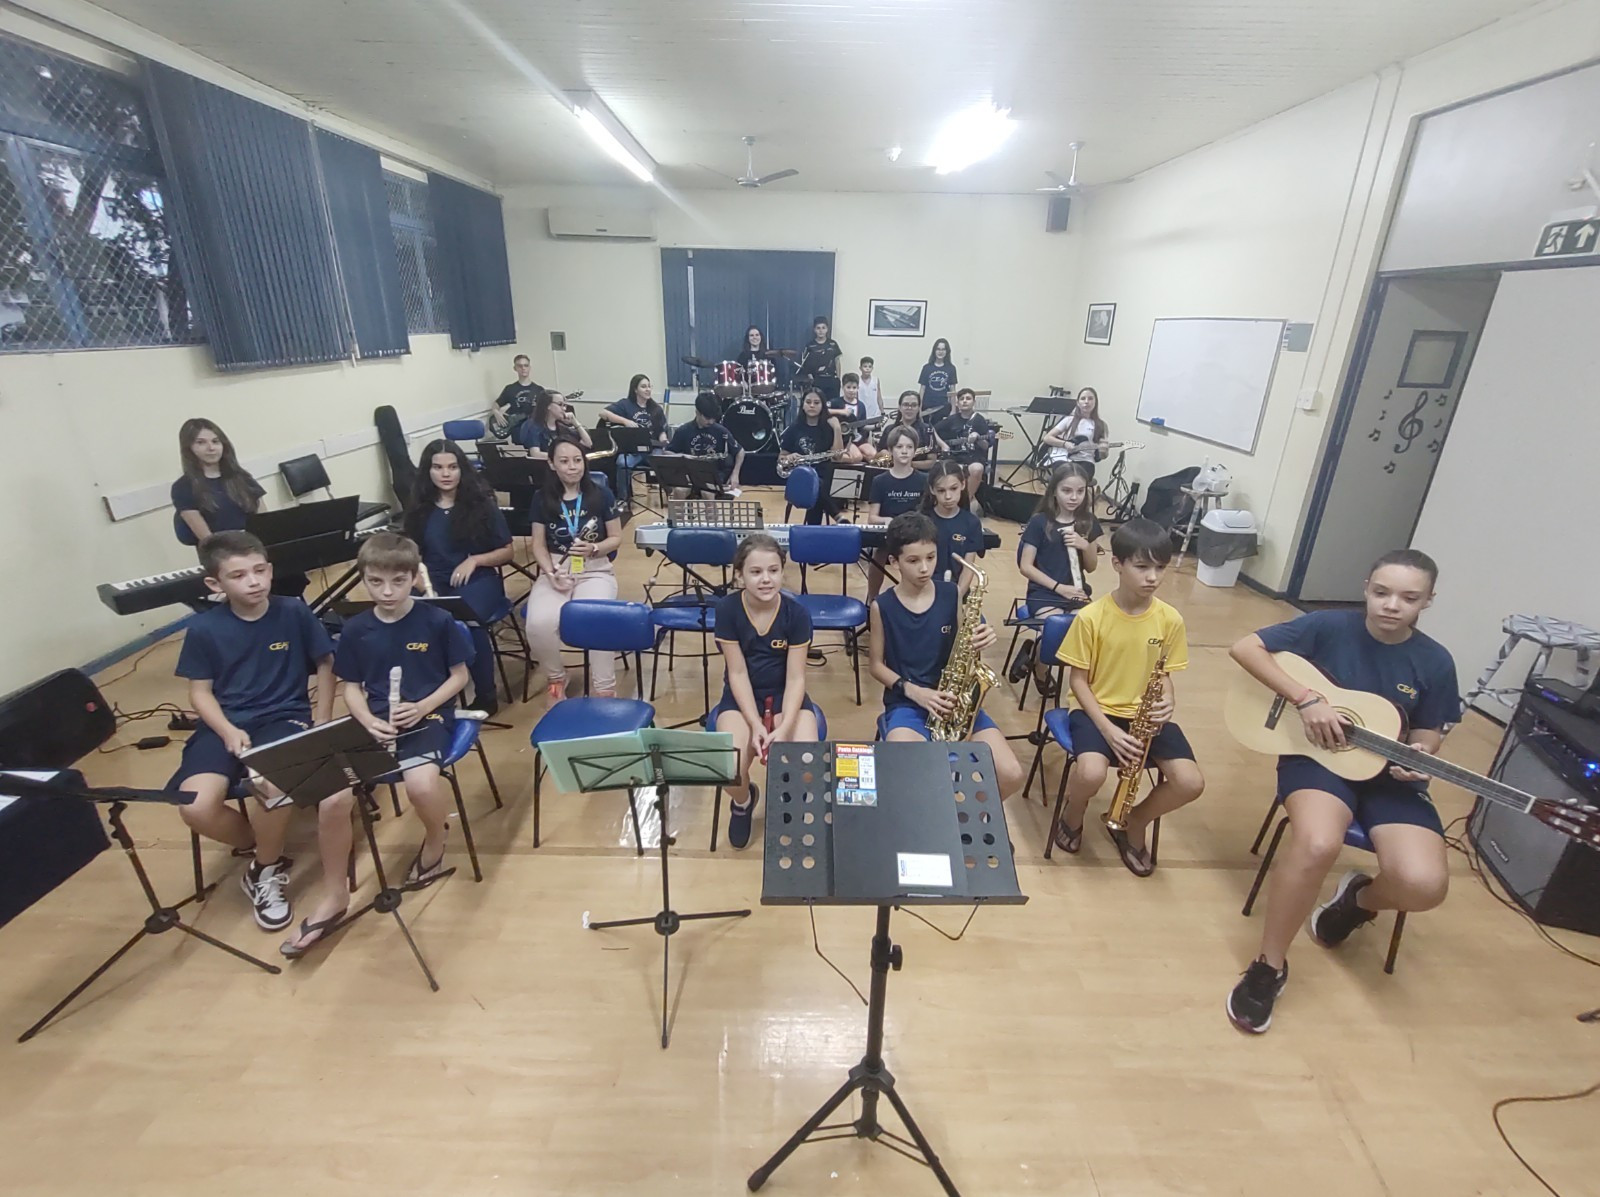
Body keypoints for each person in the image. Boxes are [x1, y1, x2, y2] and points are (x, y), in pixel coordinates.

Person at [1225, 549, 1459, 1036]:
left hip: (1388, 776)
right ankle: (1269, 966)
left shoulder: (1435, 661)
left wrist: (1420, 754)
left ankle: (1357, 901)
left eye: (1408, 597)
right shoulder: (1327, 626)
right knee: (1317, 843)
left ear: (1429, 601)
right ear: (1366, 587)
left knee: (1424, 885)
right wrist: (1306, 698)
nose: (1391, 605)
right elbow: (1246, 648)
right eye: (1382, 592)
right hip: (1318, 759)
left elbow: (1430, 732)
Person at [282, 532, 474, 957]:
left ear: (414, 577)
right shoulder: (356, 629)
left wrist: (423, 707)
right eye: (375, 582)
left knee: (420, 785)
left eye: (398, 581)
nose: (387, 592)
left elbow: (459, 676)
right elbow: (351, 686)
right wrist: (366, 719)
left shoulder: (438, 621)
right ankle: (335, 896)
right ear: (364, 580)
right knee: (332, 799)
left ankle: (436, 839)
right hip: (374, 720)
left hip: (427, 715)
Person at [169, 531, 334, 933]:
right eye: (239, 575)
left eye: (260, 571)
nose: (254, 582)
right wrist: (226, 729)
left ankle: (265, 869)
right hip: (224, 724)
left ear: (271, 570)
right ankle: (263, 847)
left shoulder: (293, 612)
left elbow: (326, 663)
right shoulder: (204, 629)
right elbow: (200, 692)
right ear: (215, 584)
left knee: (273, 786)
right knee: (195, 806)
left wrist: (323, 719)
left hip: (284, 717)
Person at [1051, 518, 1203, 874]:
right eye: (1142, 567)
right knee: (1091, 773)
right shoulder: (1091, 618)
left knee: (1190, 783)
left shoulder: (1170, 619)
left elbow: (1163, 674)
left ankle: (1134, 820)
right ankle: (1073, 813)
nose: (1153, 577)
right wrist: (1108, 731)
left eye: (1160, 568)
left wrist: (1169, 699)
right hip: (1096, 711)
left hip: (1143, 715)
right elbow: (1078, 682)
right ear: (1117, 564)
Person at [867, 513, 1024, 798]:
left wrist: (979, 640)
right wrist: (916, 692)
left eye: (931, 557)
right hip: (909, 704)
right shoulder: (882, 606)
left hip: (956, 702)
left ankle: (969, 819)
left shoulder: (951, 594)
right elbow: (876, 666)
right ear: (894, 561)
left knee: (1010, 774)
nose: (924, 568)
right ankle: (930, 821)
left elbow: (963, 648)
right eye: (913, 561)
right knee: (908, 776)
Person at [710, 534, 822, 849]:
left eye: (773, 570)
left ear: (783, 572)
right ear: (739, 575)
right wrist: (755, 723)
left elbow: (796, 678)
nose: (766, 579)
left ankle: (788, 798)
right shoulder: (727, 609)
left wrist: (783, 728)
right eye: (756, 572)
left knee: (806, 766)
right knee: (728, 769)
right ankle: (744, 802)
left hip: (786, 695)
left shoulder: (797, 613)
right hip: (742, 698)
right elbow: (737, 672)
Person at [402, 439, 513, 714]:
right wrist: (416, 578)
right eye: (438, 467)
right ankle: (425, 693)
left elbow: (507, 551)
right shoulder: (420, 509)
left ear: (462, 469)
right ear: (428, 471)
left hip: (478, 579)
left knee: (466, 620)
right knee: (406, 616)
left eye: (452, 467)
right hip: (434, 579)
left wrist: (475, 560)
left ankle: (486, 695)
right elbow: (414, 552)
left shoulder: (482, 504)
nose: (446, 474)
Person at [523, 435, 624, 702]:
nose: (572, 467)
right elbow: (538, 545)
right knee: (538, 623)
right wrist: (550, 573)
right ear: (552, 464)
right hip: (556, 568)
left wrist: (595, 548)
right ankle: (556, 677)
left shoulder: (601, 494)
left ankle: (604, 687)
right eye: (565, 461)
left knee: (596, 620)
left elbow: (616, 538)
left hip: (595, 569)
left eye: (577, 460)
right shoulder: (541, 498)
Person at [1010, 463, 1102, 692]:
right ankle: (1041, 668)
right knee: (1056, 630)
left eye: (1080, 491)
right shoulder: (1040, 522)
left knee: (1085, 631)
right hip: (1044, 592)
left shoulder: (1088, 522)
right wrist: (1059, 587)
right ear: (1054, 491)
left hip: (1077, 592)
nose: (1074, 497)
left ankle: (1034, 653)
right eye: (1067, 491)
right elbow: (1026, 566)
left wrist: (1085, 546)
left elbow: (1091, 567)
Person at [172, 418, 266, 544]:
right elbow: (208, 540)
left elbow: (264, 521)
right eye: (201, 443)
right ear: (189, 448)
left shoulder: (241, 477)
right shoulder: (183, 487)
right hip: (220, 549)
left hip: (254, 544)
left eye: (215, 441)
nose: (211, 448)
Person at [864, 426, 926, 602]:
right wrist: (888, 520)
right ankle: (872, 599)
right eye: (899, 447)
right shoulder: (880, 481)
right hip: (889, 533)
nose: (904, 451)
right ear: (890, 450)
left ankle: (915, 597)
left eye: (909, 447)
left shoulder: (924, 480)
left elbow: (927, 515)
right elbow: (872, 518)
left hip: (915, 534)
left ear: (915, 450)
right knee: (879, 553)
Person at [601, 373, 669, 508]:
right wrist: (625, 421)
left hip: (652, 449)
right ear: (635, 389)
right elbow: (603, 413)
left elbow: (661, 430)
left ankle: (671, 496)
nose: (648, 389)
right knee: (622, 463)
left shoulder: (656, 409)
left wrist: (664, 441)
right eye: (643, 387)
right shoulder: (625, 405)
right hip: (632, 451)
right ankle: (623, 498)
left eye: (649, 386)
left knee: (665, 462)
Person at [919, 460, 986, 595]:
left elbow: (968, 567)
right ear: (932, 490)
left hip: (956, 591)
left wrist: (957, 597)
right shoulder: (921, 521)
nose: (948, 496)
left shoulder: (972, 523)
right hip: (923, 591)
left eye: (953, 489)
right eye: (941, 490)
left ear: (963, 484)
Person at [779, 387, 844, 525]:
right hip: (801, 476)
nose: (812, 406)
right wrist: (789, 456)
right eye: (808, 402)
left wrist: (837, 429)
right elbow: (782, 456)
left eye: (816, 402)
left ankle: (813, 527)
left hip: (825, 475)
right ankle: (837, 517)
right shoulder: (794, 428)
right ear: (803, 405)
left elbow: (838, 457)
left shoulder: (828, 428)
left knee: (818, 485)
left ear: (822, 406)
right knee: (814, 483)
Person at [663, 391, 744, 495]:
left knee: (707, 492)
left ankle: (710, 506)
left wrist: (735, 474)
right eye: (707, 418)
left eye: (713, 418)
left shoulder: (721, 431)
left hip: (712, 475)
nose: (711, 422)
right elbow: (667, 452)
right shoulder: (683, 431)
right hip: (690, 475)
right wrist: (683, 457)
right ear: (697, 413)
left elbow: (740, 451)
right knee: (679, 491)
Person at [935, 387, 999, 507]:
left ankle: (965, 501)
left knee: (977, 469)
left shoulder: (979, 420)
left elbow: (985, 446)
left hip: (973, 456)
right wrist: (943, 445)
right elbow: (933, 429)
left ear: (974, 402)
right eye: (962, 399)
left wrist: (978, 438)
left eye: (968, 398)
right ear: (957, 403)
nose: (964, 401)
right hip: (954, 455)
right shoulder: (952, 419)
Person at [1042, 387, 1109, 477]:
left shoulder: (1101, 425)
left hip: (1086, 462)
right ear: (1078, 402)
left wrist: (1103, 452)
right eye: (1083, 398)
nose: (1086, 402)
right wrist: (1065, 444)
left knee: (1077, 476)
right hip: (1065, 459)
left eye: (1090, 398)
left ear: (1095, 402)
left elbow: (1102, 456)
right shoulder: (1069, 420)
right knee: (1063, 475)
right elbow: (1047, 438)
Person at [513, 390, 592, 457]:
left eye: (565, 405)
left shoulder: (562, 428)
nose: (564, 408)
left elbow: (588, 444)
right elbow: (535, 454)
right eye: (560, 404)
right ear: (548, 406)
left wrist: (575, 422)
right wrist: (562, 457)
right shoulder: (533, 425)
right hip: (542, 467)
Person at [876, 390, 938, 466]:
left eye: (914, 405)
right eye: (905, 405)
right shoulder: (889, 430)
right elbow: (877, 456)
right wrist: (882, 453)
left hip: (919, 472)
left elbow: (931, 462)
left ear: (919, 408)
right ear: (899, 407)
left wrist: (906, 463)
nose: (909, 408)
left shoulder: (927, 430)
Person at [490, 354, 543, 439]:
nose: (523, 368)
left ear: (530, 368)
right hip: (517, 430)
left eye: (526, 365)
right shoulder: (510, 389)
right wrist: (496, 412)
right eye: (520, 366)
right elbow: (496, 405)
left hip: (534, 430)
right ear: (515, 368)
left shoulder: (539, 390)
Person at [796, 316, 842, 404]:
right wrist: (811, 378)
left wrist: (838, 378)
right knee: (818, 404)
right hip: (817, 380)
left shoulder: (833, 344)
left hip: (832, 380)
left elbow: (837, 361)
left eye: (823, 328)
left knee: (833, 404)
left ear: (827, 329)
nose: (821, 331)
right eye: (818, 328)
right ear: (814, 330)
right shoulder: (810, 346)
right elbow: (806, 364)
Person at [829, 372, 871, 464]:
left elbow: (862, 426)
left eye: (854, 388)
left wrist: (876, 426)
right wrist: (841, 411)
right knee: (857, 457)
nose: (851, 390)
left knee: (872, 454)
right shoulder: (835, 402)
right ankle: (832, 457)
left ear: (858, 388)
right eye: (848, 387)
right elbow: (823, 410)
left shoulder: (861, 405)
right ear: (843, 387)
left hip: (858, 438)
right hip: (843, 439)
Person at [917, 338, 958, 423]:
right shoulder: (927, 368)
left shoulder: (951, 368)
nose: (940, 352)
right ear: (934, 351)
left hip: (943, 407)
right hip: (927, 407)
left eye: (943, 349)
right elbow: (922, 389)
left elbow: (953, 390)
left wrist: (953, 410)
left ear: (947, 352)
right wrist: (919, 408)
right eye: (938, 349)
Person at [857, 356, 882, 421]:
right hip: (862, 414)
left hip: (875, 414)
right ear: (860, 368)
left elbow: (879, 397)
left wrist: (882, 411)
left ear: (872, 368)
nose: (867, 369)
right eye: (865, 366)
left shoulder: (875, 380)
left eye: (870, 367)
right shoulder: (857, 381)